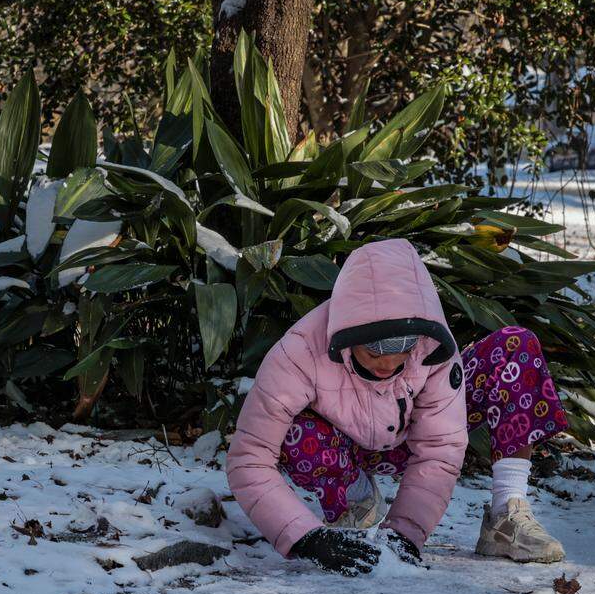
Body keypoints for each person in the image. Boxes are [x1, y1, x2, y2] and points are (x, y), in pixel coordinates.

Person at [226, 238, 568, 576]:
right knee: (294, 432)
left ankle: (507, 515)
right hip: (341, 449)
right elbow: (249, 458)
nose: (386, 366)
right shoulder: (298, 352)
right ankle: (354, 499)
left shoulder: (431, 342)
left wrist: (407, 531)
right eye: (374, 355)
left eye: (400, 355)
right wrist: (305, 537)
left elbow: (440, 447)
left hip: (410, 437)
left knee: (515, 345)